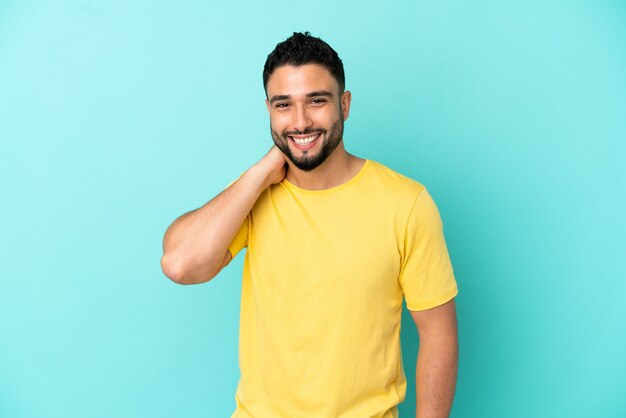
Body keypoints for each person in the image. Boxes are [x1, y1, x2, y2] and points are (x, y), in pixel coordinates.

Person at [161, 31, 459, 418]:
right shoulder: (253, 199)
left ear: (345, 104)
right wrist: (262, 171)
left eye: (316, 101)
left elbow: (438, 335)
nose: (300, 122)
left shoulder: (406, 203)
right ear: (268, 109)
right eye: (284, 105)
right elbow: (180, 264)